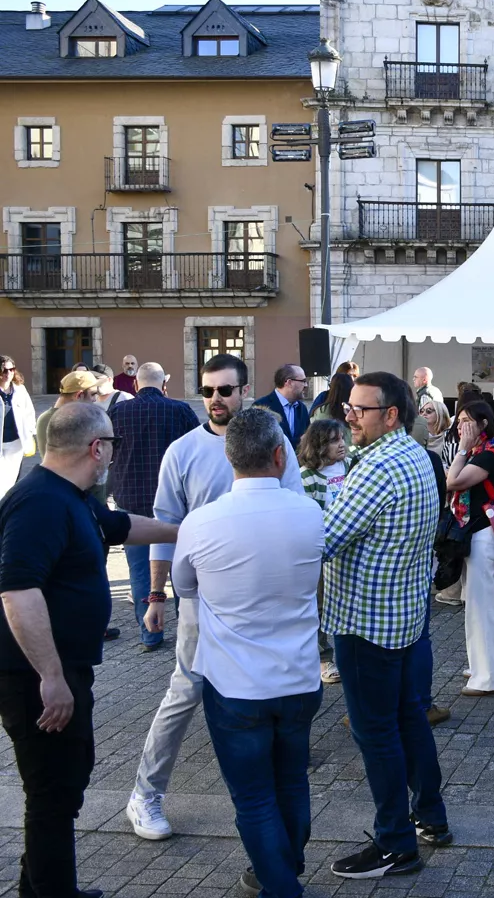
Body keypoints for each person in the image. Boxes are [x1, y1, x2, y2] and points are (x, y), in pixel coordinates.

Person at [0, 402, 178, 898]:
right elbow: (18, 591)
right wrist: (51, 678)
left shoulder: (73, 496)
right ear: (97, 448)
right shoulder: (39, 502)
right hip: (35, 676)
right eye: (113, 445)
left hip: (64, 668)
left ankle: (37, 888)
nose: (113, 455)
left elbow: (121, 526)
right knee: (54, 793)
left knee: (63, 782)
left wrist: (188, 530)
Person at [127, 354, 303, 843]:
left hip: (263, 597)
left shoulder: (274, 444)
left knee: (265, 694)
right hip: (201, 599)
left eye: (225, 390)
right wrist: (156, 593)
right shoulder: (181, 451)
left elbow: (293, 507)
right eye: (207, 391)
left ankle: (264, 800)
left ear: (244, 391)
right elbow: (165, 529)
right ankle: (145, 793)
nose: (216, 400)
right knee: (185, 693)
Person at [171, 408, 324, 898]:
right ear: (281, 456)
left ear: (229, 457)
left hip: (235, 684)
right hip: (299, 677)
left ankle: (281, 884)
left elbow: (183, 586)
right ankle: (285, 866)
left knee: (255, 796)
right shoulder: (310, 513)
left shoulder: (201, 522)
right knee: (292, 782)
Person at [324, 371, 450, 877]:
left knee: (377, 733)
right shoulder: (413, 454)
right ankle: (431, 818)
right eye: (349, 407)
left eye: (359, 409)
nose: (348, 415)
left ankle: (396, 844)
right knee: (408, 720)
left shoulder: (379, 466)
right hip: (402, 618)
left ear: (391, 415)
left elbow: (324, 539)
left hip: (366, 622)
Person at [108, 362, 199, 652]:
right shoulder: (180, 410)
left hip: (130, 499)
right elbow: (196, 448)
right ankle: (188, 631)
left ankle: (149, 634)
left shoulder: (118, 412)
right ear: (164, 385)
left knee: (139, 571)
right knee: (181, 571)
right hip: (174, 502)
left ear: (135, 384)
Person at [446, 400, 494, 696]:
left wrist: (462, 448)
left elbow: (453, 481)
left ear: (483, 424)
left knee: (482, 605)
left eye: (467, 421)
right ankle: (489, 667)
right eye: (459, 420)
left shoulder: (487, 455)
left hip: (483, 535)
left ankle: (491, 677)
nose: (462, 426)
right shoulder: (488, 451)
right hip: (484, 533)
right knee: (481, 604)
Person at [299, 419, 349, 686]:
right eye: (332, 440)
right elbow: (307, 515)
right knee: (318, 604)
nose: (341, 444)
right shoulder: (306, 476)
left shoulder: (352, 467)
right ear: (318, 445)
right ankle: (322, 657)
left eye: (341, 438)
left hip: (347, 550)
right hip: (320, 549)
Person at [34, 370, 102, 461]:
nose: (94, 400)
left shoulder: (47, 417)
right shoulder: (65, 420)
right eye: (93, 394)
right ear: (79, 395)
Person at [0, 356, 38, 498]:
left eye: (11, 369)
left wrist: (29, 430)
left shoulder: (19, 390)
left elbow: (29, 411)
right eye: (4, 370)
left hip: (15, 442)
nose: (7, 373)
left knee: (11, 479)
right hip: (0, 441)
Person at [255, 364, 310, 446]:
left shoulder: (302, 408)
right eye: (303, 381)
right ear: (289, 383)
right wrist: (299, 441)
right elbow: (260, 443)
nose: (306, 385)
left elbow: (308, 440)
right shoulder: (261, 407)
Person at [418, 399, 454, 467]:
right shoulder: (419, 436)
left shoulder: (450, 436)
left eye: (429, 411)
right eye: (421, 411)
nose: (424, 414)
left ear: (440, 413)